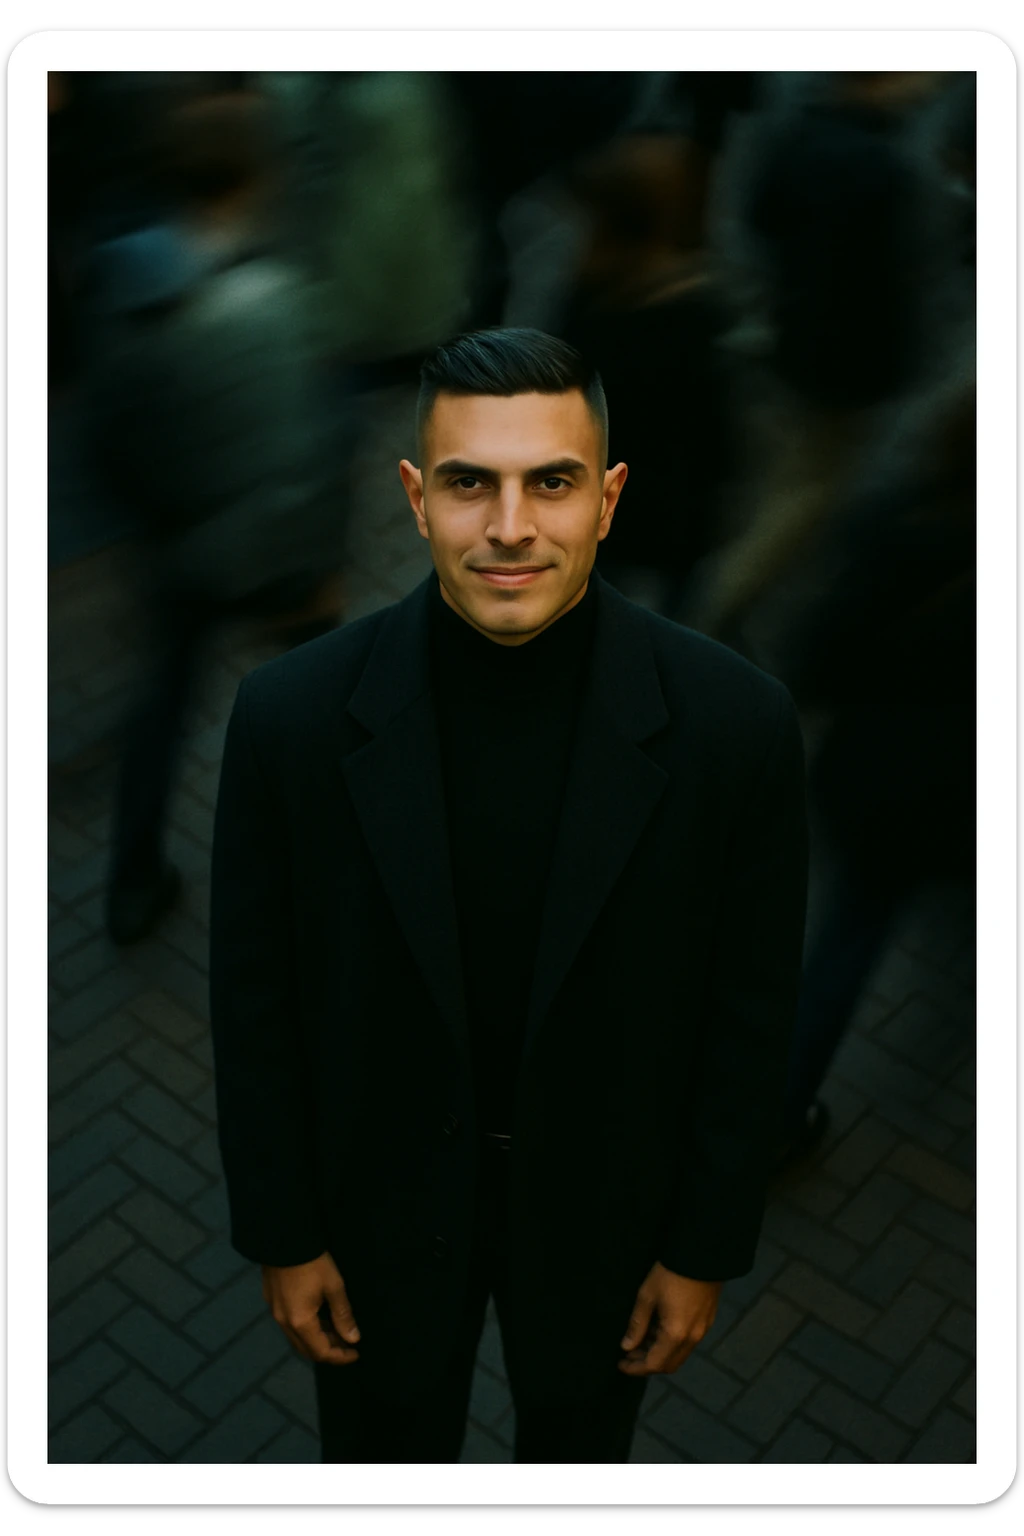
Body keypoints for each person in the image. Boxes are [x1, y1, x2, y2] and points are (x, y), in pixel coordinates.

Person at [208, 328, 809, 1464]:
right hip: (372, 1220)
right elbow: (255, 1000)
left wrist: (700, 1246)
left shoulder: (736, 729)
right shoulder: (288, 720)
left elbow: (749, 1008)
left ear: (610, 497)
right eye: (469, 483)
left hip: (607, 1227)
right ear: (415, 498)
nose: (511, 527)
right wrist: (281, 1231)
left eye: (553, 482)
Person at [84, 83, 351, 945]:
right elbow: (319, 442)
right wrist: (325, 560)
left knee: (162, 707)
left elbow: (108, 438)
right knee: (318, 704)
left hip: (179, 553)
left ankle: (132, 882)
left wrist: (160, 522)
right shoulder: (281, 296)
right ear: (257, 174)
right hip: (278, 552)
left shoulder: (127, 285)